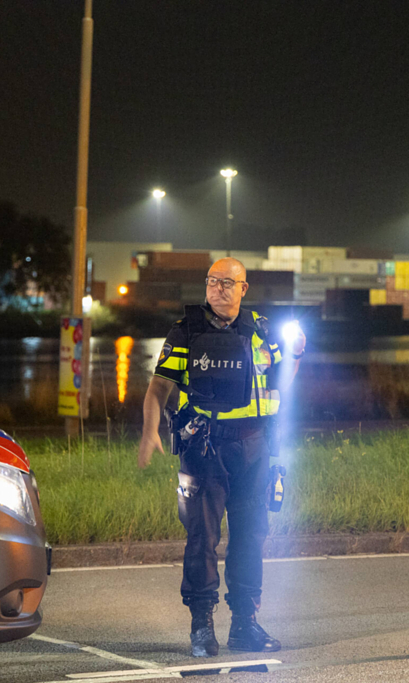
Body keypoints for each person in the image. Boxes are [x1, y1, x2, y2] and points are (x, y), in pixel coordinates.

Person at [138, 257, 306, 658]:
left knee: (251, 537)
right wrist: (149, 430)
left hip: (253, 448)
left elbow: (282, 384)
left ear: (243, 289)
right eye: (212, 282)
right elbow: (159, 387)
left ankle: (245, 626)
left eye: (227, 283)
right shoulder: (185, 334)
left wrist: (297, 356)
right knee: (202, 540)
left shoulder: (263, 333)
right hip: (205, 450)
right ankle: (201, 628)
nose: (218, 289)